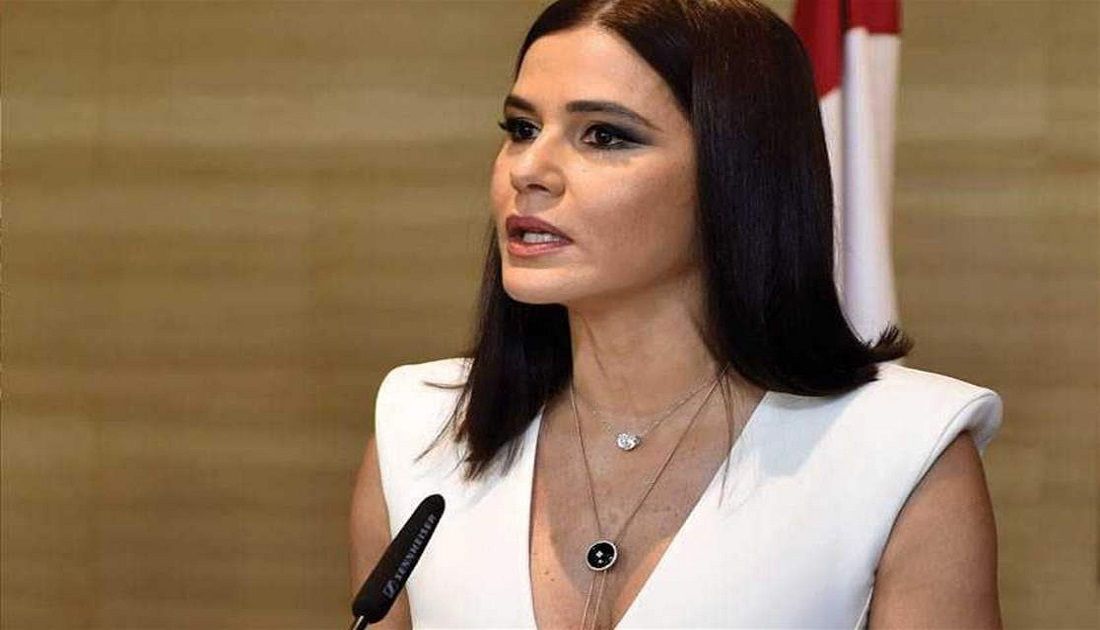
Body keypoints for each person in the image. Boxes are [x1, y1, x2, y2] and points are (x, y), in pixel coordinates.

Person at [350, 0, 1003, 628]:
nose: (530, 170)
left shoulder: (903, 448)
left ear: (737, 172)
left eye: (604, 136)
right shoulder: (419, 425)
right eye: (521, 129)